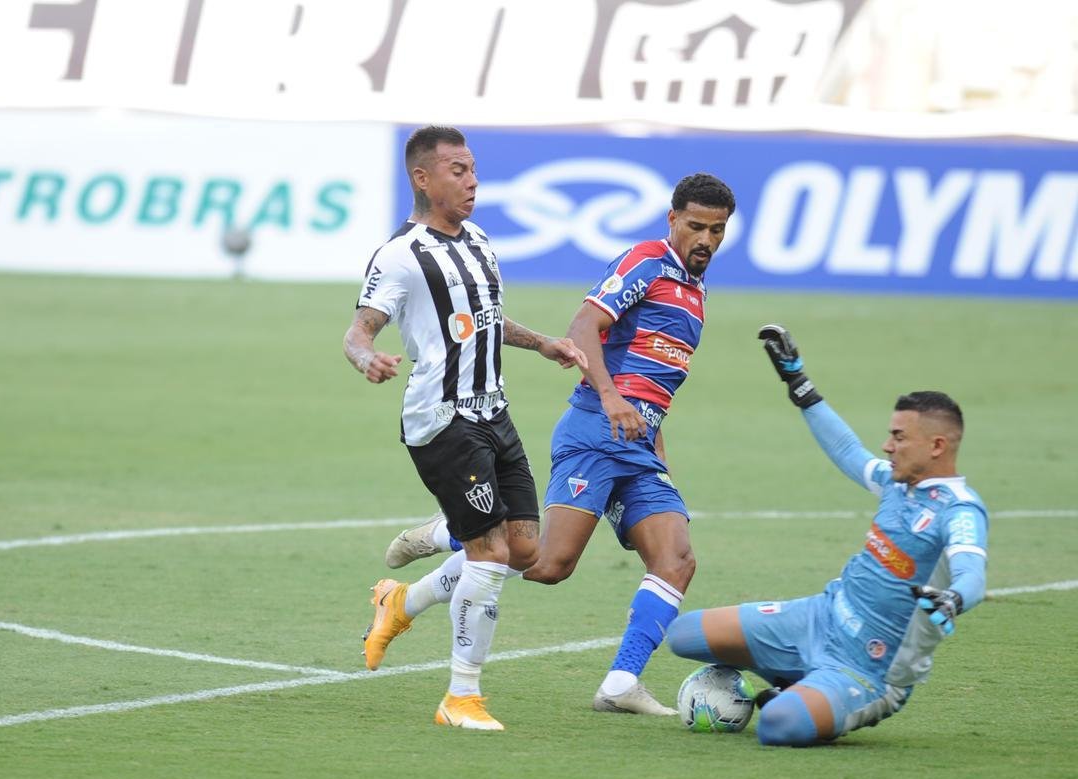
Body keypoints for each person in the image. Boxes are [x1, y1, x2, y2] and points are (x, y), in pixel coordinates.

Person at [383, 173, 738, 716]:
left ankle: (620, 683)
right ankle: (445, 536)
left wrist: (655, 450)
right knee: (547, 564)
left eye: (717, 230)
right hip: (597, 429)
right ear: (673, 221)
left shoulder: (695, 293)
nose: (706, 239)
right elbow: (584, 324)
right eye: (695, 226)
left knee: (677, 560)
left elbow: (654, 384)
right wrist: (611, 397)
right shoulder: (647, 261)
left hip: (638, 445)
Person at [343, 125, 586, 732]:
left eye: (473, 167)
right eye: (457, 169)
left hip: (493, 410)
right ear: (423, 178)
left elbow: (487, 320)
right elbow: (359, 331)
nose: (472, 179)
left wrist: (544, 343)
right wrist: (366, 358)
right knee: (490, 551)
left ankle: (401, 598)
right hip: (441, 418)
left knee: (525, 549)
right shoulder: (400, 255)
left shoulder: (478, 240)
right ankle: (462, 697)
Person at [665, 325, 989, 746]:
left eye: (899, 437)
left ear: (937, 446)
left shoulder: (958, 508)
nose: (888, 446)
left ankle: (809, 696)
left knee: (777, 726)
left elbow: (972, 573)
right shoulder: (896, 482)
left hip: (867, 668)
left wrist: (954, 598)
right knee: (684, 635)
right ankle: (796, 678)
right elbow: (847, 450)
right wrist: (798, 382)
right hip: (819, 618)